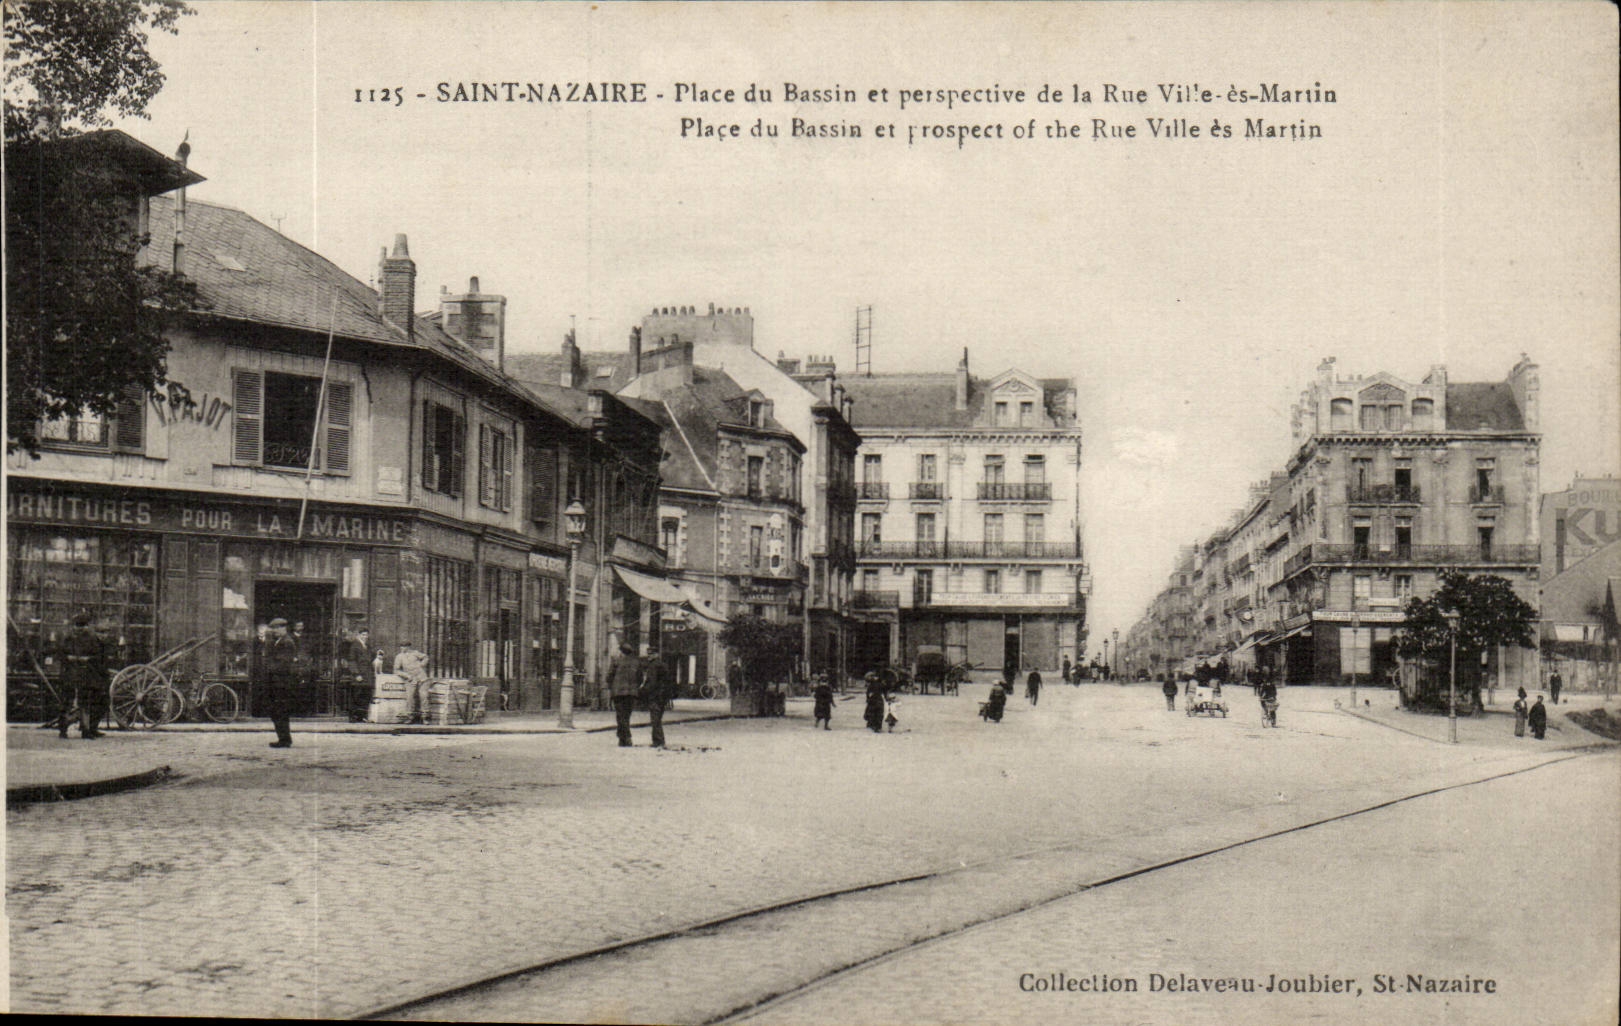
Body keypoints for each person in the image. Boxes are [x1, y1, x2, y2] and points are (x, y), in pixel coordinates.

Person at [57, 611, 108, 739]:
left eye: (83, 625)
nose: (80, 628)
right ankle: (63, 729)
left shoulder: (91, 639)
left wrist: (87, 659)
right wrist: (69, 658)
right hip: (69, 674)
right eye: (77, 625)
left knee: (85, 703)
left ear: (86, 626)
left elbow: (97, 656)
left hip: (85, 675)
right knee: (67, 703)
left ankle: (86, 730)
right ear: (73, 626)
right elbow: (59, 654)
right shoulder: (67, 638)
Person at [263, 618, 296, 748]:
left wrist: (269, 665)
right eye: (273, 629)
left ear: (284, 628)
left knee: (280, 711)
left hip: (282, 683)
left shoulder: (287, 643)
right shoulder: (278, 642)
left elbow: (282, 665)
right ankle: (283, 738)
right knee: (277, 711)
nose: (274, 631)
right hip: (277, 682)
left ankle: (285, 739)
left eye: (277, 628)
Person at [608, 643, 642, 747]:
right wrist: (634, 687)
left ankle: (626, 738)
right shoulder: (636, 662)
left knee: (620, 716)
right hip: (631, 693)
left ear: (621, 652)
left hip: (618, 692)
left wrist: (612, 686)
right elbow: (640, 678)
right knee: (626, 716)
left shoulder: (616, 661)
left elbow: (609, 676)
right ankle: (622, 739)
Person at [339, 627, 375, 723]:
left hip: (367, 675)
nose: (365, 637)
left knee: (365, 696)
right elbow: (352, 661)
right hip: (359, 676)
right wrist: (356, 674)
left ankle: (362, 716)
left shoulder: (368, 646)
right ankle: (353, 716)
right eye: (363, 635)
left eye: (366, 635)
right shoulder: (354, 646)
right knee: (356, 696)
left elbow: (371, 659)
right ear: (359, 635)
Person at [642, 648, 675, 748]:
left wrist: (643, 691)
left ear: (656, 654)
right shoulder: (663, 665)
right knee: (658, 718)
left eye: (651, 654)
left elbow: (652, 682)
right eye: (648, 654)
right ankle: (658, 740)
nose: (649, 656)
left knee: (655, 719)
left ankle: (658, 741)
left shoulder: (653, 666)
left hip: (655, 695)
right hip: (663, 696)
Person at [394, 641, 431, 724]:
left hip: (421, 677)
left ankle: (425, 717)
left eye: (405, 646)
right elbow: (396, 670)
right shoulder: (399, 657)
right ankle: (410, 717)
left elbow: (425, 657)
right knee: (410, 697)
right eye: (401, 646)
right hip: (410, 679)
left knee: (424, 696)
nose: (403, 648)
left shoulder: (415, 653)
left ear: (409, 647)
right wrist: (406, 675)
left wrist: (421, 664)